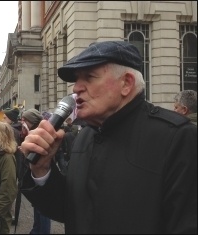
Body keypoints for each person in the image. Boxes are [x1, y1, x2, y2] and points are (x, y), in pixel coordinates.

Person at [20, 41, 197, 234]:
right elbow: (71, 210)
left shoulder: (176, 137)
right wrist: (42, 169)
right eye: (77, 79)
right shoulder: (86, 135)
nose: (76, 88)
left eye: (89, 77)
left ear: (126, 83)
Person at [20, 109, 51, 234]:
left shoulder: (42, 133)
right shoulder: (30, 132)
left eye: (25, 120)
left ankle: (42, 231)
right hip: (35, 176)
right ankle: (36, 229)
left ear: (31, 121)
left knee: (43, 209)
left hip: (44, 177)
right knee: (37, 206)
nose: (23, 122)